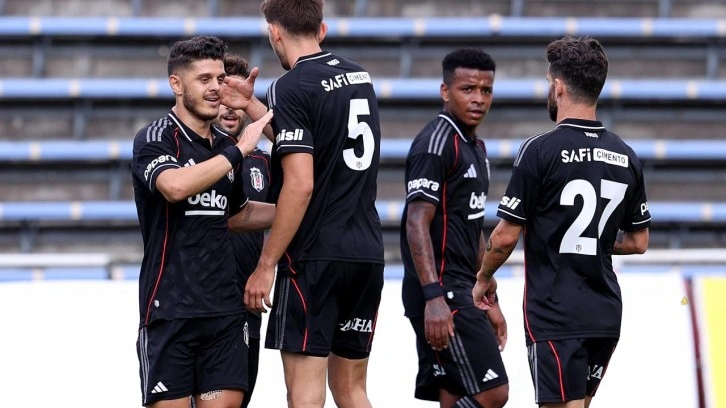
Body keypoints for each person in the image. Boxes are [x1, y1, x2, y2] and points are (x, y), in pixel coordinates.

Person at [472, 36, 651, 408]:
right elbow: (638, 241)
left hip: (555, 312)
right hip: (605, 312)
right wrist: (596, 241)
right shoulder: (626, 155)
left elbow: (504, 237)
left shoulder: (539, 150)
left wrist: (484, 277)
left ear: (558, 87)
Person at [235, 1, 385, 407]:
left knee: (305, 395)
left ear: (274, 33)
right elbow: (317, 140)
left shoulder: (290, 85)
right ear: (321, 29)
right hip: (366, 254)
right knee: (352, 390)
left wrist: (266, 264)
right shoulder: (359, 77)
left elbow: (300, 184)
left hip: (314, 259)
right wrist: (251, 106)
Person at [131, 35, 275, 408]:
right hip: (170, 313)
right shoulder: (157, 137)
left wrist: (302, 212)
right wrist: (238, 151)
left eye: (219, 78)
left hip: (224, 315)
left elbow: (238, 214)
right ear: (176, 84)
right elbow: (175, 187)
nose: (215, 88)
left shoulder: (224, 147)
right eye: (204, 79)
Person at [400, 48, 509, 408]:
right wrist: (434, 297)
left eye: (486, 90)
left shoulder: (475, 147)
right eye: (468, 89)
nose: (478, 99)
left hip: (462, 289)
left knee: (455, 394)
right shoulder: (435, 143)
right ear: (445, 91)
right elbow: (416, 221)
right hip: (442, 292)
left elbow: (473, 226)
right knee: (493, 392)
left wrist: (489, 297)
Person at [213, 53, 272, 408]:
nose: (231, 109)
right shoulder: (196, 155)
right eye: (224, 98)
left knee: (241, 396)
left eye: (238, 100)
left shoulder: (264, 162)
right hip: (201, 300)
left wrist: (267, 267)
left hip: (247, 298)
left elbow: (287, 216)